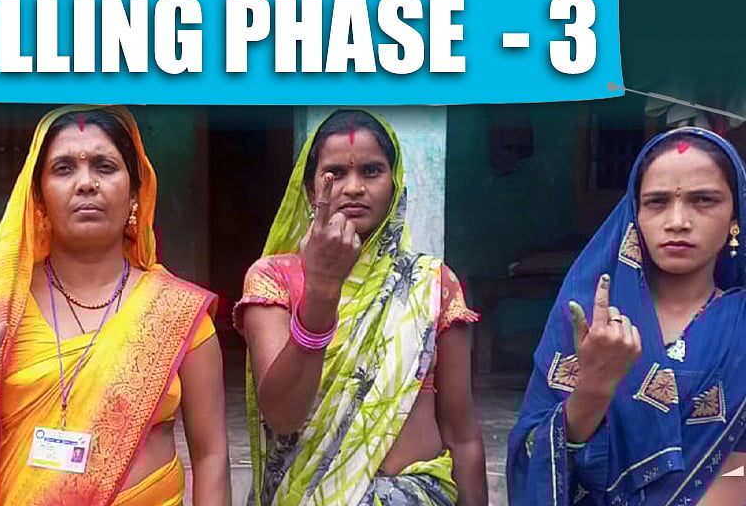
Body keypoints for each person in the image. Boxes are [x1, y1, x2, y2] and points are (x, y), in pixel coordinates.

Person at [0, 105, 231, 506]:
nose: (86, 183)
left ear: (136, 192)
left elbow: (211, 457)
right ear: (37, 196)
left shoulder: (178, 313)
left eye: (105, 167)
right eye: (64, 168)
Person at [236, 109, 488, 505]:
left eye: (371, 171)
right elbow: (283, 416)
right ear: (308, 190)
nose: (353, 187)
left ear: (395, 183)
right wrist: (321, 287)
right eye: (334, 174)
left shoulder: (431, 284)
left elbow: (462, 434)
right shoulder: (274, 279)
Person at [507, 127, 746, 505]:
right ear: (634, 215)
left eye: (704, 200)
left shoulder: (740, 323)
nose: (678, 221)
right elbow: (534, 452)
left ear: (736, 215)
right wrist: (596, 385)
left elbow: (741, 468)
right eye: (656, 202)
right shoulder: (585, 320)